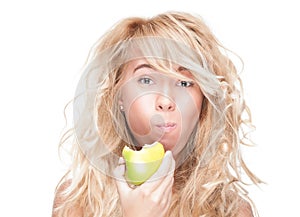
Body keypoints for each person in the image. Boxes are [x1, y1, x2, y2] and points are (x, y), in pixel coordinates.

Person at [52, 11, 262, 217]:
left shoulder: (231, 211)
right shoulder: (77, 200)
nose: (165, 101)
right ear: (119, 96)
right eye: (146, 80)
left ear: (203, 102)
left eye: (184, 83)